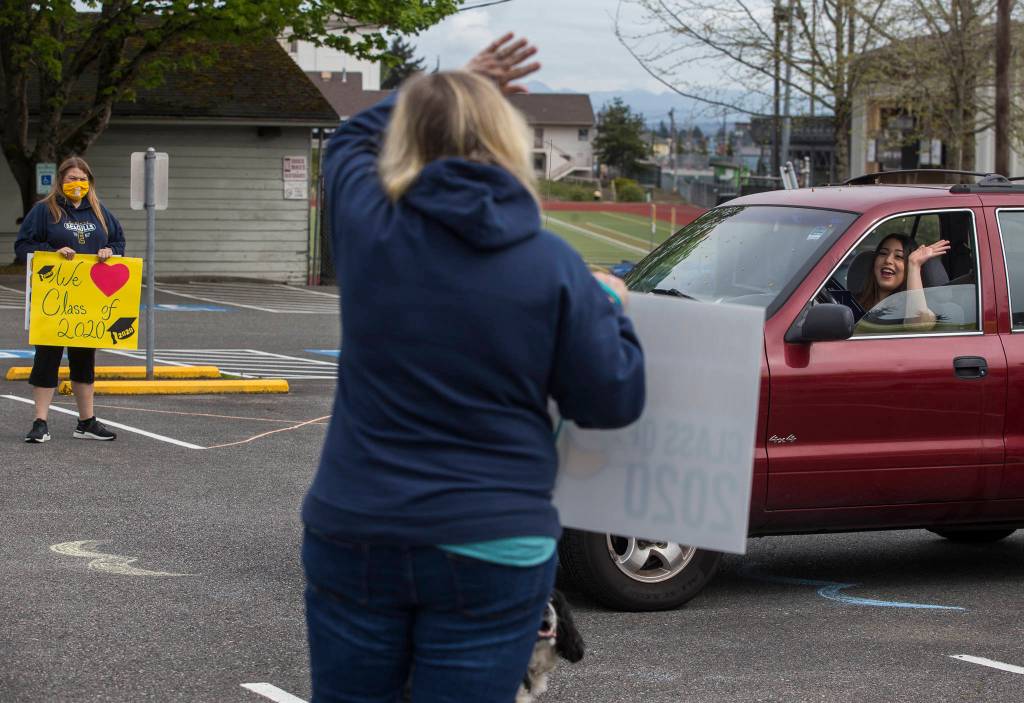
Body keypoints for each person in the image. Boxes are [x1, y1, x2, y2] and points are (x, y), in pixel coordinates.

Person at [301, 34, 645, 703]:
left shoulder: (370, 229)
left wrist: (445, 85)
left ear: (407, 137)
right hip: (493, 540)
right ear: (507, 141)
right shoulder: (554, 268)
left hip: (359, 526)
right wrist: (611, 303)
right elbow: (612, 397)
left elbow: (347, 142)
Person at [14, 156, 125, 443]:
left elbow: (118, 242)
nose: (77, 184)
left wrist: (110, 252)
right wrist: (52, 252)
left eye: (82, 178)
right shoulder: (44, 211)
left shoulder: (100, 212)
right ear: (61, 181)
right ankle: (40, 422)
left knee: (84, 358)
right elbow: (23, 244)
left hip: (87, 299)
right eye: (72, 178)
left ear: (90, 182)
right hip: (54, 295)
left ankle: (86, 422)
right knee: (47, 357)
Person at [854, 234, 950, 329]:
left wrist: (914, 264)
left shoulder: (918, 306)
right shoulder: (853, 302)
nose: (888, 260)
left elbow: (918, 325)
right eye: (883, 253)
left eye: (899, 256)